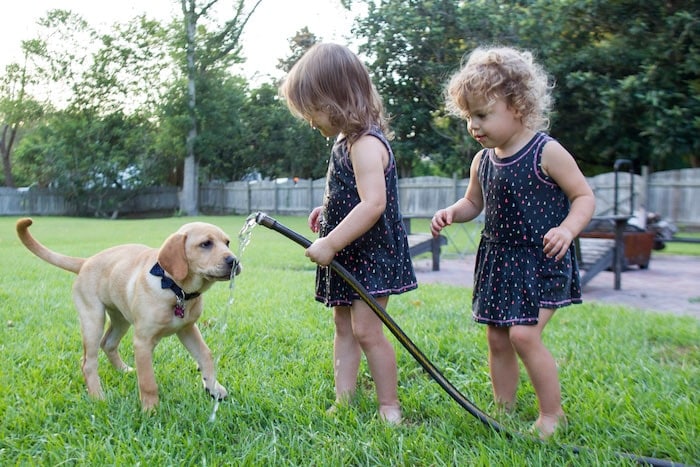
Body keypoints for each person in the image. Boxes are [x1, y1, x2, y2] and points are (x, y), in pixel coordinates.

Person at [430, 46, 595, 439]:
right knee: (498, 337)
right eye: (469, 116)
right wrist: (454, 211)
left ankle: (552, 415)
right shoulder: (483, 161)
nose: (474, 125)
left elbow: (583, 197)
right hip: (500, 261)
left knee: (524, 334)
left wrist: (568, 230)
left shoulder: (546, 152)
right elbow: (474, 202)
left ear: (518, 106)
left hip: (541, 259)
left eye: (482, 115)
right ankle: (502, 407)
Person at [279, 43, 417, 424]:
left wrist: (331, 240)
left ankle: (389, 405)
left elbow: (373, 204)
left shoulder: (367, 144)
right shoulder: (346, 141)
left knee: (368, 331)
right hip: (351, 251)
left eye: (313, 109)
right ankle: (345, 397)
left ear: (338, 98)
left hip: (370, 254)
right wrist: (329, 211)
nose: (310, 120)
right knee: (343, 326)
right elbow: (353, 194)